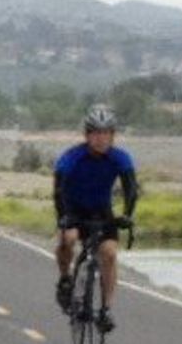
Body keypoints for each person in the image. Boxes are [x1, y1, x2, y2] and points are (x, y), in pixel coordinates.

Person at [53, 108, 138, 328]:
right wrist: (63, 217)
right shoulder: (72, 157)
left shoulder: (120, 158)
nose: (101, 138)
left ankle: (106, 309)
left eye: (106, 133)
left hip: (101, 210)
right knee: (69, 239)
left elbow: (131, 189)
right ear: (87, 135)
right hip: (73, 209)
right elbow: (58, 190)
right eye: (96, 133)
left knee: (109, 254)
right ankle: (65, 279)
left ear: (112, 135)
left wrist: (127, 215)